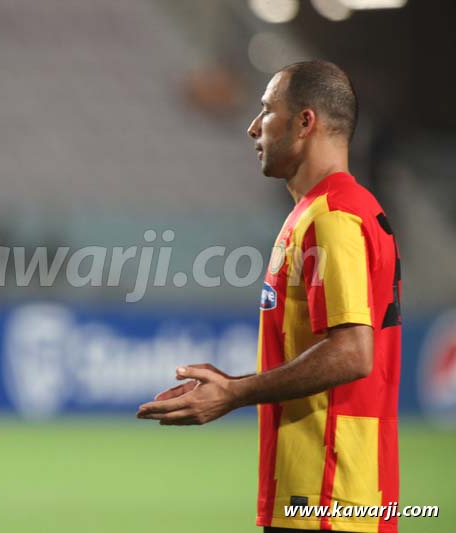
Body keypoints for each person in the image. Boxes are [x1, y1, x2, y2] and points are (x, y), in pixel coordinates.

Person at [137, 60, 401, 533]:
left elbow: (352, 352)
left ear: (305, 122)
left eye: (266, 110)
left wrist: (235, 393)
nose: (252, 127)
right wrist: (232, 383)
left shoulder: (335, 216)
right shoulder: (318, 212)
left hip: (327, 495)